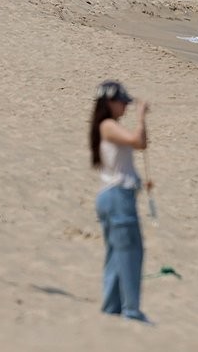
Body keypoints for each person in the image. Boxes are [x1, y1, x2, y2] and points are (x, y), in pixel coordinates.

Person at [88, 80, 152, 323]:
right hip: (116, 197)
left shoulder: (107, 128)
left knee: (117, 252)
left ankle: (111, 306)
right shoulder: (107, 125)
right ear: (109, 103)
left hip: (114, 195)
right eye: (122, 102)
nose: (125, 106)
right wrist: (141, 117)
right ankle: (131, 310)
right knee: (130, 252)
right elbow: (139, 142)